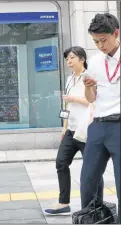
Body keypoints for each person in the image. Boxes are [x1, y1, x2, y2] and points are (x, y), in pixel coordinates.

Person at [44, 46, 102, 215]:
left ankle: (95, 205)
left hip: (86, 131)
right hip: (71, 130)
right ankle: (63, 202)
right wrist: (64, 126)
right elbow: (67, 105)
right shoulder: (70, 79)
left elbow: (93, 102)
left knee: (93, 169)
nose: (68, 62)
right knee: (61, 163)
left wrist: (73, 98)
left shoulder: (90, 77)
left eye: (71, 58)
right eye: (67, 59)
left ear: (82, 59)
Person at [81, 13, 120, 223]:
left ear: (116, 33)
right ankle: (90, 219)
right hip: (98, 125)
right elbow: (91, 98)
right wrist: (88, 88)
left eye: (103, 40)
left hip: (119, 125)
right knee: (88, 179)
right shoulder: (95, 62)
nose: (100, 46)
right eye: (95, 41)